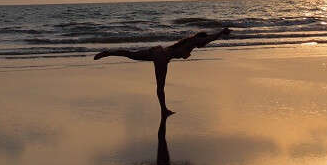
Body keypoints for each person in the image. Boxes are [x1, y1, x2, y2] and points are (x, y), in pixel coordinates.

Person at [93, 28, 231, 116]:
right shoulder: (194, 41)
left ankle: (108, 53)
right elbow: (208, 38)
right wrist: (221, 33)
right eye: (203, 41)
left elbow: (207, 39)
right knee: (160, 87)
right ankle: (164, 110)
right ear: (200, 38)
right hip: (162, 58)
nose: (204, 44)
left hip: (157, 52)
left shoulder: (190, 42)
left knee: (131, 54)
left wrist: (219, 34)